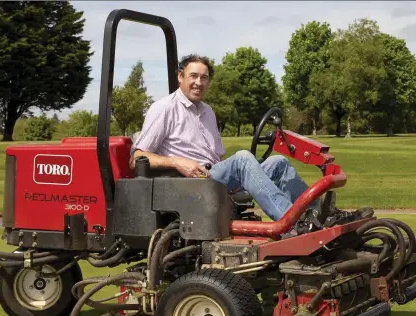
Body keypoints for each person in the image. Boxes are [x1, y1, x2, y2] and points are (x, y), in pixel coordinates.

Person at [130, 54, 319, 222]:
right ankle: (291, 222)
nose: (199, 82)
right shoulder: (164, 108)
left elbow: (218, 159)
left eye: (204, 78)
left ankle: (318, 214)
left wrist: (235, 180)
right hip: (190, 182)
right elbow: (137, 158)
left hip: (213, 175)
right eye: (193, 76)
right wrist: (176, 162)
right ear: (180, 77)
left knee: (279, 162)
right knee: (243, 159)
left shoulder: (207, 111)